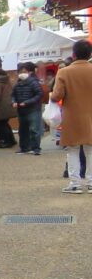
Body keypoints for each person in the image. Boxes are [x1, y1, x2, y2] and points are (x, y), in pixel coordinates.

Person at [52, 41, 92, 193]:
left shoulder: (64, 72)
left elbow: (57, 95)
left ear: (74, 54)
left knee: (72, 149)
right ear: (90, 54)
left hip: (71, 116)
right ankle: (91, 182)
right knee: (90, 150)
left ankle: (75, 184)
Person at [12, 62, 44, 156]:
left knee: (34, 130)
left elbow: (39, 94)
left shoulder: (34, 82)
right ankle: (24, 148)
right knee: (22, 130)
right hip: (21, 110)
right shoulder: (17, 83)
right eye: (20, 72)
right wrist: (13, 101)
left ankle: (36, 148)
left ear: (28, 72)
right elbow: (13, 95)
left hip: (33, 109)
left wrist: (27, 102)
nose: (22, 73)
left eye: (24, 71)